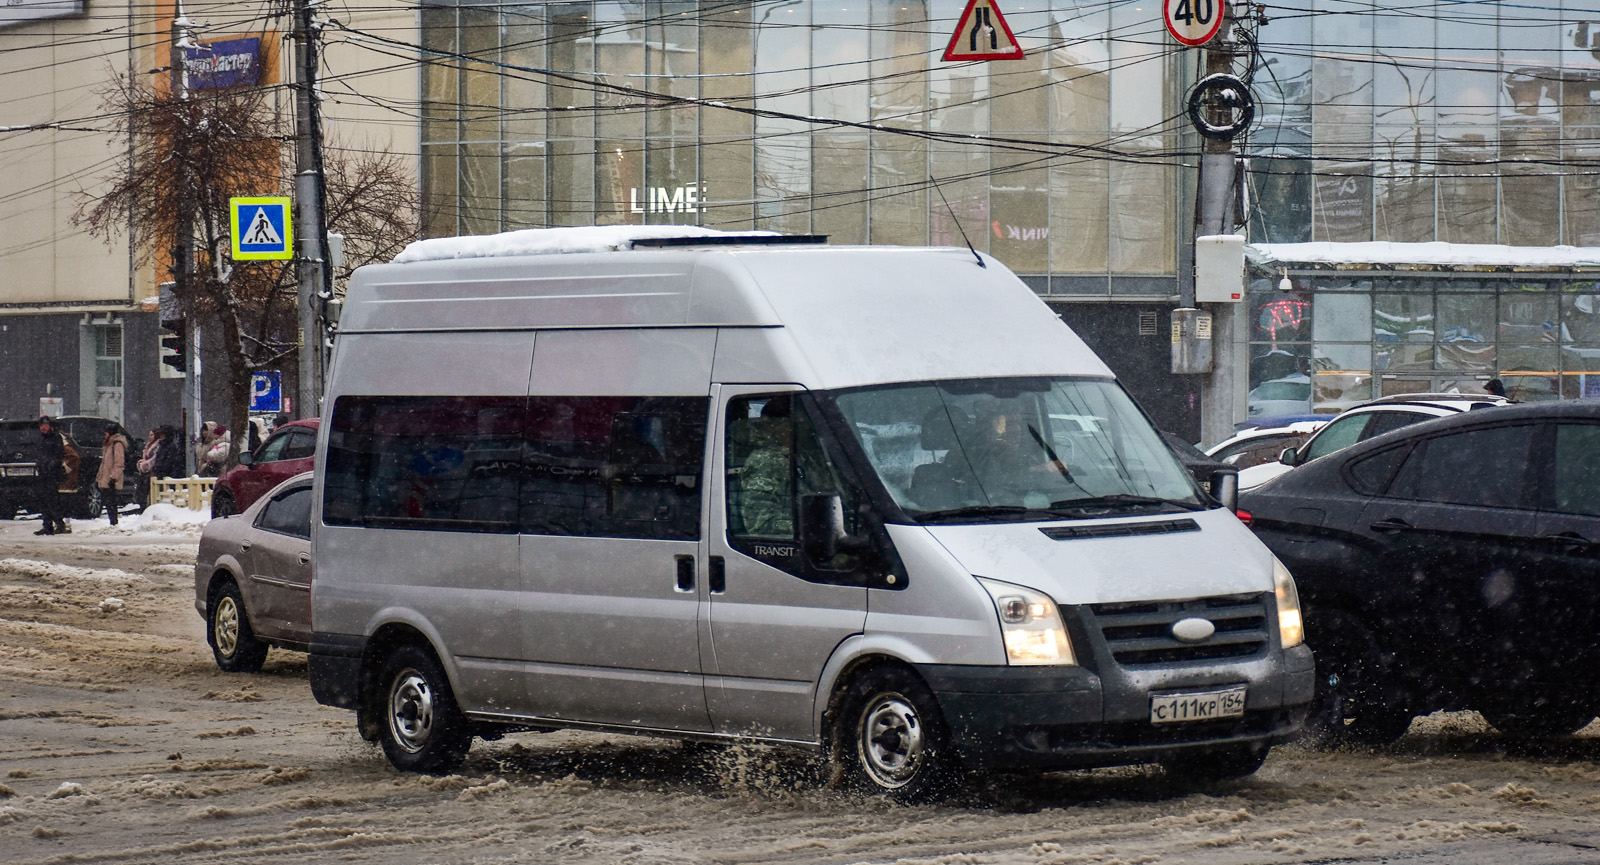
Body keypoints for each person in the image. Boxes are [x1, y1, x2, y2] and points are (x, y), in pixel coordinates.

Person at [34, 416, 75, 536]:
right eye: (41, 425)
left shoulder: (55, 437)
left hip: (52, 474)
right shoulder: (41, 438)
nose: (43, 428)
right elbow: (39, 453)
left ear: (50, 426)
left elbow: (59, 454)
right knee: (43, 500)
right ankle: (47, 525)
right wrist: (39, 465)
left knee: (52, 500)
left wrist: (51, 464)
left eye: (45, 425)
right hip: (43, 473)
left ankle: (59, 524)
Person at [94, 426, 130, 526]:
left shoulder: (116, 444)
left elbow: (119, 463)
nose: (104, 435)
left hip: (111, 478)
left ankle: (114, 522)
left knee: (111, 501)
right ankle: (112, 521)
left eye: (106, 433)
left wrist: (113, 477)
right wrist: (99, 478)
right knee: (108, 501)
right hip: (106, 477)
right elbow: (104, 464)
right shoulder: (109, 444)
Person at [135, 427, 161, 510]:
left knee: (148, 491)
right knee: (142, 491)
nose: (150, 437)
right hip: (145, 472)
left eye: (152, 435)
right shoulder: (149, 445)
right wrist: (141, 462)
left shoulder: (157, 446)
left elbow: (153, 459)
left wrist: (144, 465)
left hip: (150, 472)